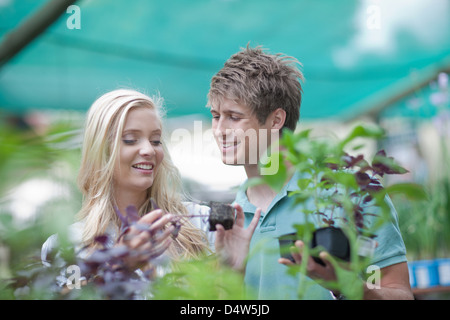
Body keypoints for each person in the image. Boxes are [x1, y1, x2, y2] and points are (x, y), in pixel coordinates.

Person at [207, 44, 413, 299]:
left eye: (234, 117)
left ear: (276, 120)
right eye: (216, 116)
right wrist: (230, 275)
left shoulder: (351, 192)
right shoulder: (229, 223)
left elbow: (399, 293)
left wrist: (349, 287)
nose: (220, 130)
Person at [41, 89, 260, 285]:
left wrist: (232, 270)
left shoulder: (201, 224)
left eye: (155, 141)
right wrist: (118, 265)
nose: (148, 150)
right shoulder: (66, 245)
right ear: (101, 151)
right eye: (130, 140)